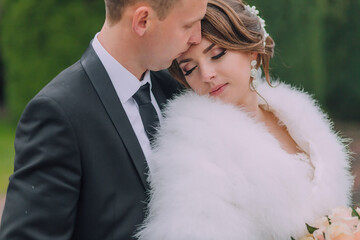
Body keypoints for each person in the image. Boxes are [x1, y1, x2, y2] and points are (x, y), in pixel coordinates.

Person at [135, 0, 354, 239]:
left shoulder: (299, 117)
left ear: (251, 49)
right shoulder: (193, 145)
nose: (206, 75)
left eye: (217, 55)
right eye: (189, 69)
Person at [0, 0, 208, 239]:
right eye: (188, 25)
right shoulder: (59, 113)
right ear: (143, 21)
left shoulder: (180, 87)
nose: (196, 37)